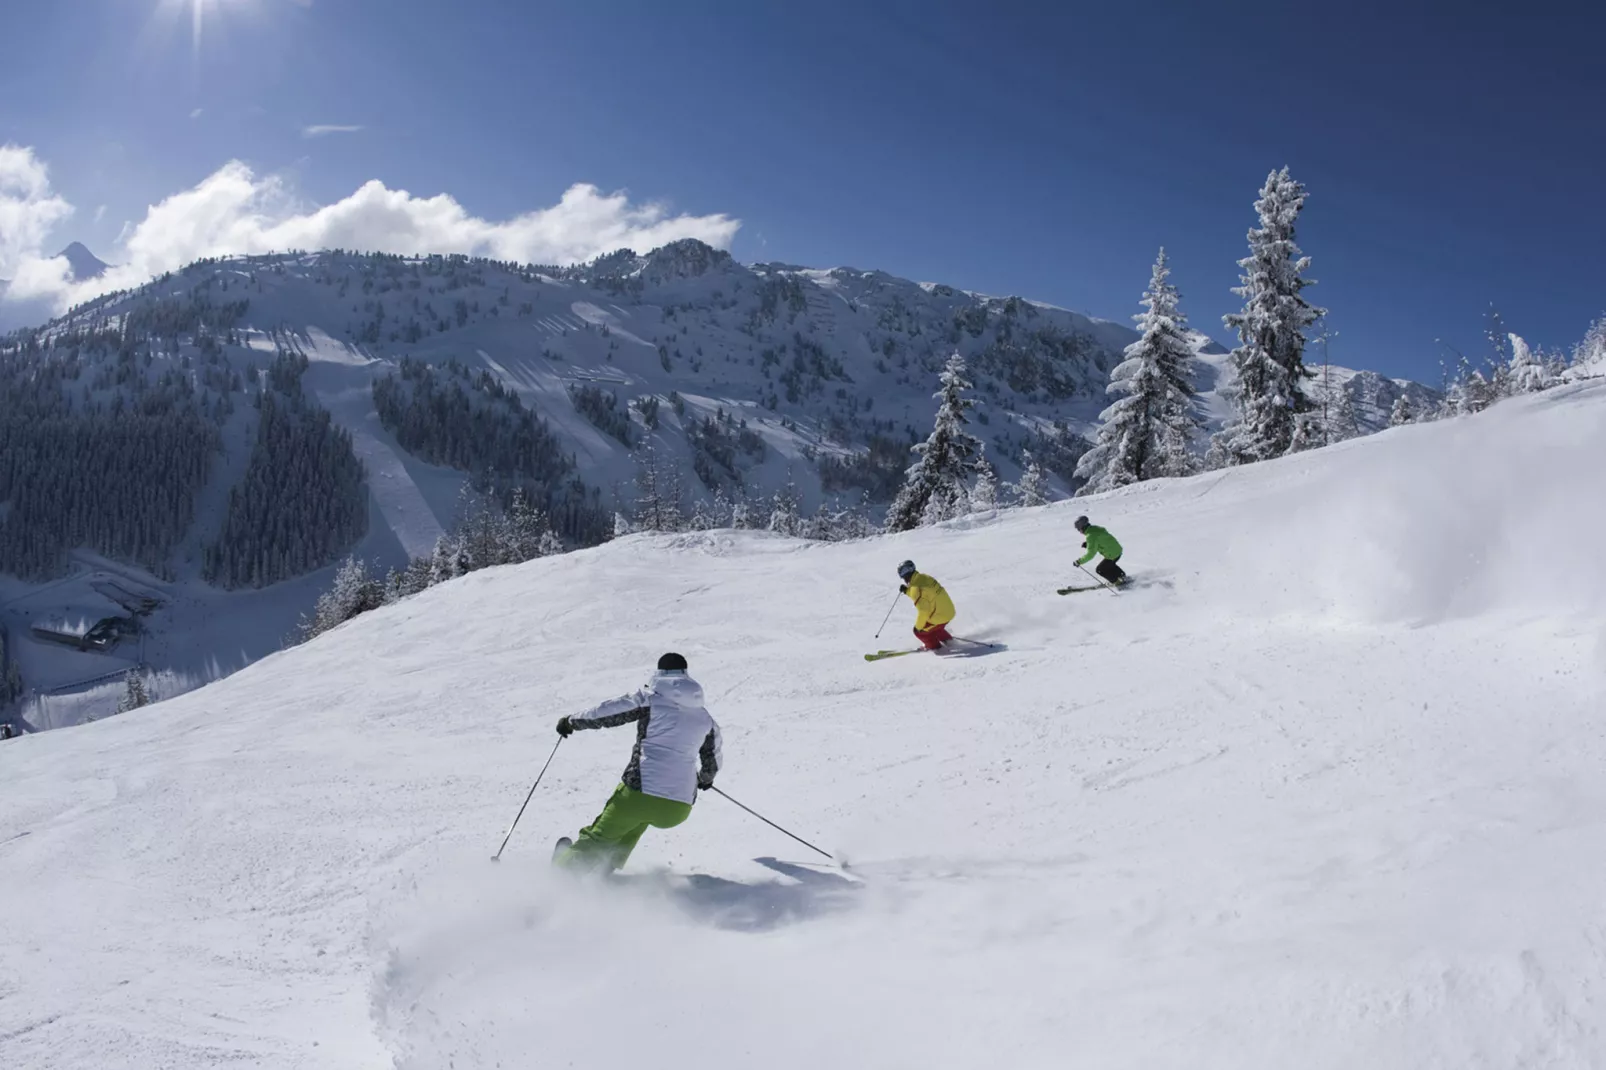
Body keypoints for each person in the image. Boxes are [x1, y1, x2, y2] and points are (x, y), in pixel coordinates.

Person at [553, 652, 722, 873]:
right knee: (636, 823)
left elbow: (609, 712)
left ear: (659, 673)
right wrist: (705, 779)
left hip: (640, 792)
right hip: (678, 808)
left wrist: (571, 722)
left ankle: (560, 874)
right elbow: (713, 758)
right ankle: (606, 868)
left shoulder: (651, 699)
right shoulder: (705, 718)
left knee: (601, 835)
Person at [898, 559, 956, 650]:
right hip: (949, 611)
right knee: (933, 628)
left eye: (902, 574)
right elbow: (922, 594)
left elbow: (923, 611)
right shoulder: (924, 577)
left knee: (919, 631)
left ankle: (934, 647)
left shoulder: (915, 589)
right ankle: (948, 641)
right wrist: (907, 591)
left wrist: (918, 628)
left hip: (940, 616)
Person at [1073, 516, 1127, 585]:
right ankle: (1122, 576)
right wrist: (1089, 544)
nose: (1079, 531)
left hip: (1112, 554)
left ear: (1082, 527)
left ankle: (1117, 582)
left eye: (1078, 529)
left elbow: (1090, 554)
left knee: (1100, 569)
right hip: (1117, 550)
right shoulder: (1095, 528)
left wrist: (1079, 561)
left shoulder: (1090, 536)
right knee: (1109, 565)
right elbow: (1101, 539)